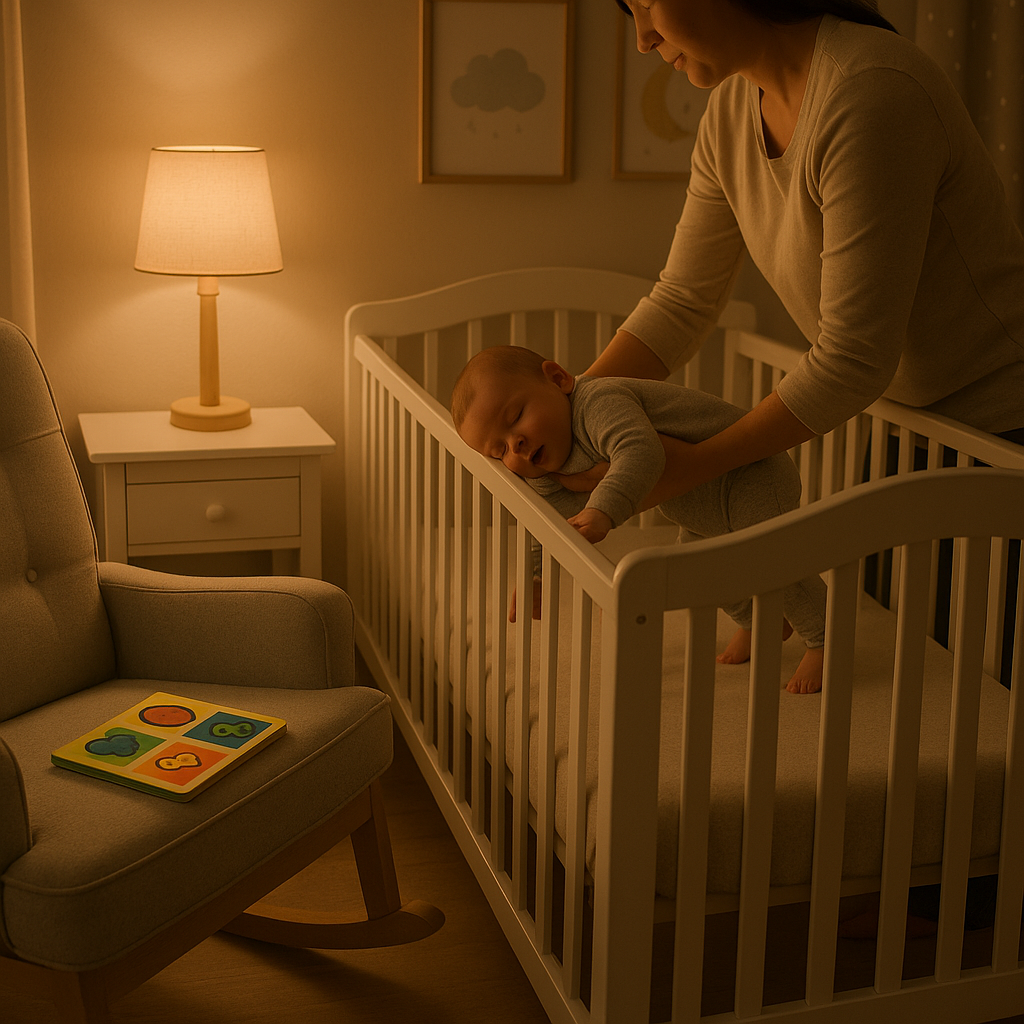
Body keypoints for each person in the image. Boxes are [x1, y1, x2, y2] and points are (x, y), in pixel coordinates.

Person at [569, 0, 1024, 509]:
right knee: (872, 592)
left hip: (1003, 430)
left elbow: (852, 359)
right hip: (907, 423)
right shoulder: (729, 114)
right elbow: (682, 300)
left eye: (647, 2)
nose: (643, 37)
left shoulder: (870, 89)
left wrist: (695, 467)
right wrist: (568, 414)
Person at [451, 344, 828, 694]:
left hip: (749, 471)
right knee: (704, 573)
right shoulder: (547, 466)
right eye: (499, 450)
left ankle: (826, 636)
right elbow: (546, 524)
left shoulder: (597, 402)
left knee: (773, 560)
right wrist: (535, 574)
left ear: (559, 379)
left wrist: (603, 511)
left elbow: (641, 452)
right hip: (698, 505)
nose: (515, 445)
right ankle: (762, 622)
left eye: (516, 416)